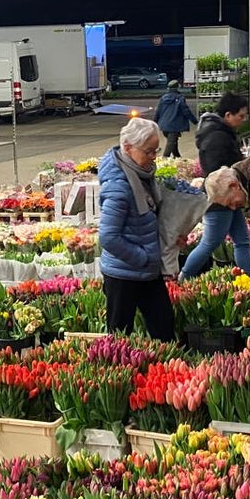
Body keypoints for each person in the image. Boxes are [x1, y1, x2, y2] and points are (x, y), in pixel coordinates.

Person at [97, 117, 176, 340]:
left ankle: (167, 373)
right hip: (124, 274)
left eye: (156, 151)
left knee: (165, 328)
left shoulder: (142, 176)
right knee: (120, 336)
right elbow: (108, 237)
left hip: (148, 270)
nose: (153, 158)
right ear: (128, 148)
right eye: (148, 152)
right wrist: (142, 257)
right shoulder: (119, 186)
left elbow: (149, 217)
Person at [181, 93, 250, 278]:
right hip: (220, 198)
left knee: (242, 241)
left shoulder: (219, 132)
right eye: (241, 116)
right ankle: (183, 277)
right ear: (228, 115)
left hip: (231, 196)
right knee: (210, 243)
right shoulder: (217, 138)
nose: (243, 120)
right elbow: (217, 173)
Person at [154, 79, 198, 158]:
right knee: (171, 144)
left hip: (164, 126)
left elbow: (158, 111)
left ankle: (178, 158)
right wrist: (195, 121)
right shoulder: (180, 98)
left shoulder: (163, 98)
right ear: (177, 87)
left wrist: (154, 123)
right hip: (174, 125)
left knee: (173, 143)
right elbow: (186, 111)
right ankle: (164, 160)